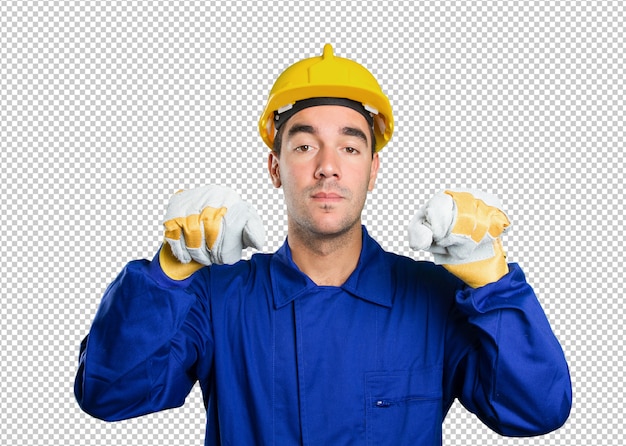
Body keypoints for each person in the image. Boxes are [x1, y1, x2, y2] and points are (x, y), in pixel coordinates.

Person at [75, 44, 572, 445]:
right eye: (305, 145)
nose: (328, 166)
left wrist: (493, 282)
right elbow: (109, 393)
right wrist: (168, 273)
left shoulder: (434, 298)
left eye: (351, 147)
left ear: (373, 171)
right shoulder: (216, 298)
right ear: (275, 167)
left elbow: (536, 410)